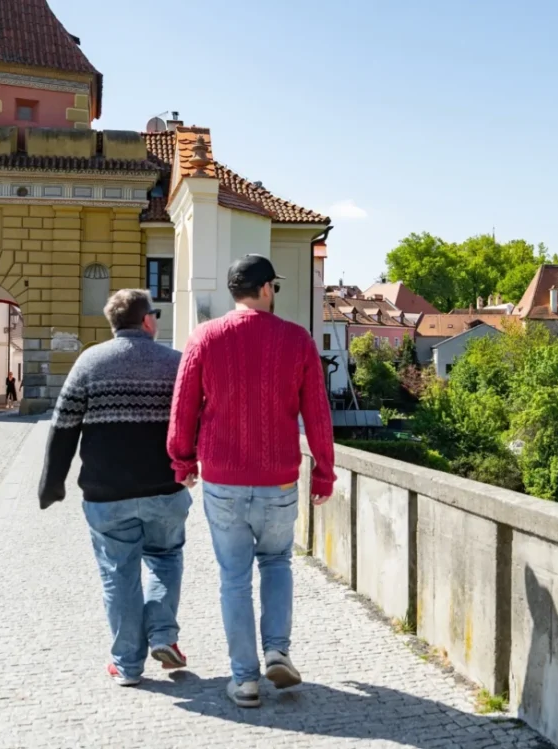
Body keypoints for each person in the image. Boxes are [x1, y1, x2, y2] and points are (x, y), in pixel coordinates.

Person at [168, 255, 336, 708]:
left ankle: (244, 680)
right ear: (265, 289)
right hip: (279, 479)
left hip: (222, 479)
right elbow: (316, 413)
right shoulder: (296, 340)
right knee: (277, 561)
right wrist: (324, 470)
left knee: (234, 579)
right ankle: (277, 649)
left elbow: (183, 408)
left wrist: (182, 463)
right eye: (274, 288)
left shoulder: (204, 338)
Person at [39, 289, 190, 687]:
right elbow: (196, 418)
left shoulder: (89, 361)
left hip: (107, 495)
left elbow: (63, 425)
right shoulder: (175, 364)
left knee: (118, 574)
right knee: (165, 557)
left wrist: (52, 484)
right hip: (165, 488)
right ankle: (163, 636)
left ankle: (127, 665)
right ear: (146, 321)